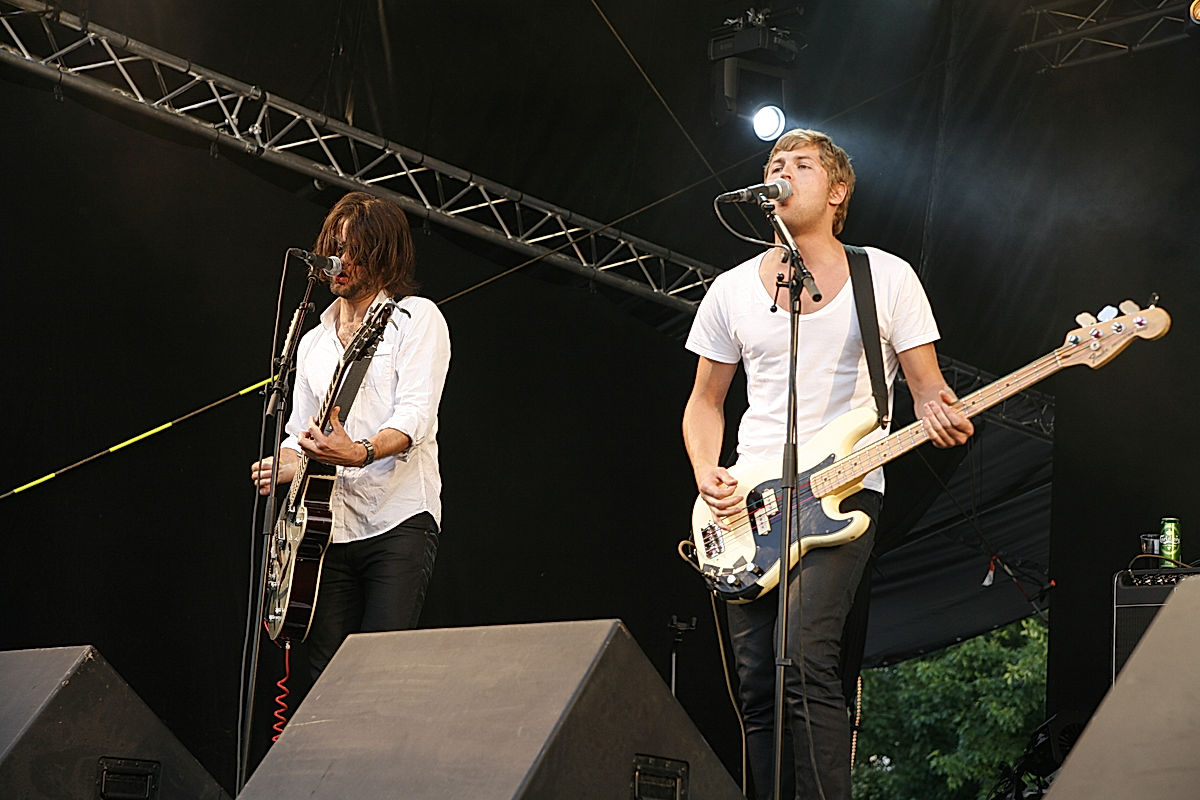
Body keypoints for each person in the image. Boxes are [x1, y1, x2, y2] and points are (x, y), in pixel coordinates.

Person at [682, 129, 973, 800]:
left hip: (845, 492)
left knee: (805, 660)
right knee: (758, 683)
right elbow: (704, 403)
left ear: (838, 191)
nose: (783, 171)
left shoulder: (887, 276)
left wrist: (939, 411)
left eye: (801, 164)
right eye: (774, 164)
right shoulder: (731, 290)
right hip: (750, 501)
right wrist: (706, 469)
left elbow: (927, 389)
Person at [251, 191, 450, 679]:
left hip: (398, 520)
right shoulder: (313, 342)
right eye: (333, 246)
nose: (338, 260)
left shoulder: (415, 319)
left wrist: (358, 452)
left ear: (383, 255)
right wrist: (288, 461)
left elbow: (415, 419)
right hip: (327, 531)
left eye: (353, 248)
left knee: (378, 673)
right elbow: (301, 433)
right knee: (324, 679)